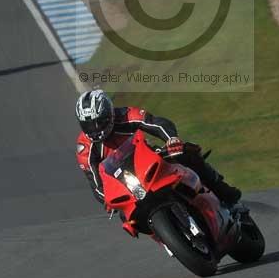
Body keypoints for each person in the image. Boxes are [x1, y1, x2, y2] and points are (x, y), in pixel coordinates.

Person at [75, 89, 241, 208]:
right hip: (125, 183)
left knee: (184, 153)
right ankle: (169, 240)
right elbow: (96, 185)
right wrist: (108, 199)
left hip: (148, 158)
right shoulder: (85, 149)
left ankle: (222, 189)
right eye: (88, 124)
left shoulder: (125, 115)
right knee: (126, 216)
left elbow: (156, 123)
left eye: (99, 121)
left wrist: (171, 139)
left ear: (109, 114)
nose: (95, 129)